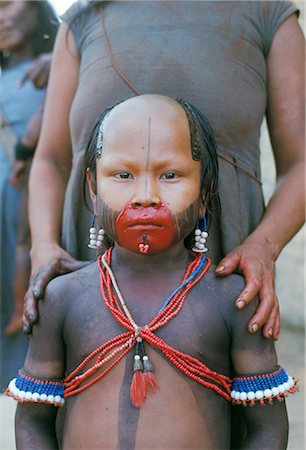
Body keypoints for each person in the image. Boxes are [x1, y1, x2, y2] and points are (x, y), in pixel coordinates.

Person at [7, 95, 297, 449]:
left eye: (170, 175)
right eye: (123, 175)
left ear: (204, 192)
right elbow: (32, 424)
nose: (146, 195)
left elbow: (267, 430)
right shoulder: (61, 299)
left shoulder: (234, 301)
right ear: (94, 189)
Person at [24, 1, 305, 341]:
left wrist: (264, 247)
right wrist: (43, 246)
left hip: (224, 282)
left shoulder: (265, 12)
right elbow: (51, 159)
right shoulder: (82, 19)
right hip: (88, 279)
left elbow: (300, 163)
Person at [0, 0, 58, 386]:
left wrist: (63, 59)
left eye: (6, 4)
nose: (1, 18)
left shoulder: (57, 67)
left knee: (29, 295)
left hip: (27, 198)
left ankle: (26, 382)